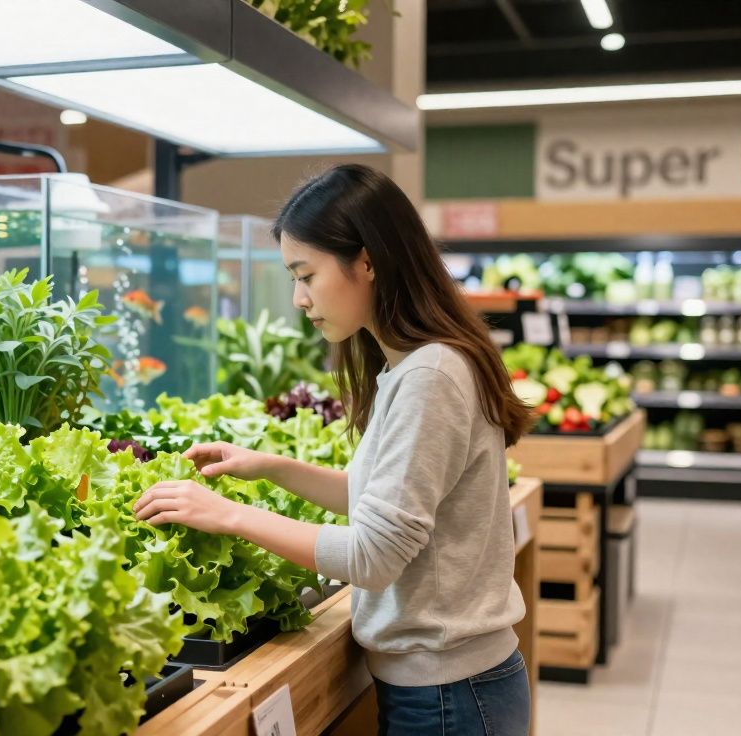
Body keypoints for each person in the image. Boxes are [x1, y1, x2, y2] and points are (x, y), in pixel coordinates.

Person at [134, 164, 535, 736]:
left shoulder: (432, 376)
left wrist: (230, 516)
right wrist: (268, 468)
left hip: (452, 694)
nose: (299, 298)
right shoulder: (412, 367)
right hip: (446, 687)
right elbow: (380, 503)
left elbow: (374, 556)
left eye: (306, 275)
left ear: (367, 261)